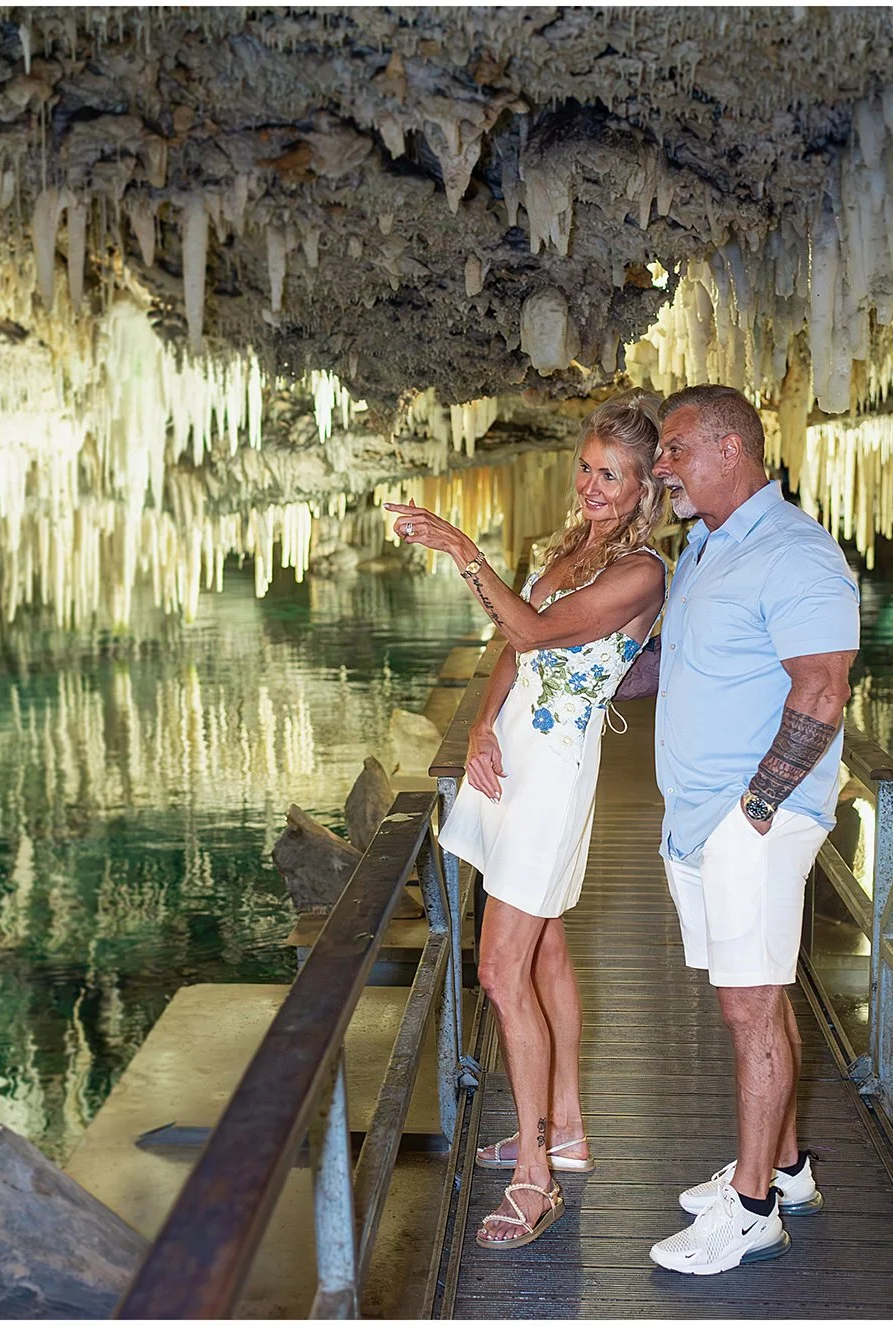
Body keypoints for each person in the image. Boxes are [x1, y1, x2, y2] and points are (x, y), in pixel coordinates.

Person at [385, 392, 668, 1251]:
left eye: (611, 476)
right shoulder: (572, 546)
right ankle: (567, 1128)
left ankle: (535, 1179)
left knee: (501, 969)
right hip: (507, 759)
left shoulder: (643, 570)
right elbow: (513, 652)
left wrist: (467, 554)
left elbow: (538, 630)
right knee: (542, 951)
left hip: (553, 779)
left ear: (646, 487)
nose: (592, 485)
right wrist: (479, 723)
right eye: (586, 467)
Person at [644, 385, 860, 1276]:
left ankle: (752, 1207)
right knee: (759, 995)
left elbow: (822, 686)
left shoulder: (795, 553)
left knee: (752, 1007)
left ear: (731, 449)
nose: (662, 466)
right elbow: (677, 664)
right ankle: (790, 1167)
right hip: (701, 819)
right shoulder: (704, 548)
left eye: (674, 449)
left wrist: (759, 808)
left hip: (752, 821)